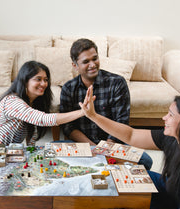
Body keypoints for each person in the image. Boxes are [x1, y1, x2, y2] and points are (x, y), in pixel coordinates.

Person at [80, 85, 180, 209]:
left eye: (171, 115)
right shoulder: (174, 138)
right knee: (134, 176)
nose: (164, 118)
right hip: (175, 192)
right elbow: (131, 135)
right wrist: (93, 116)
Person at [60, 38, 152, 170]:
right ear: (75, 65)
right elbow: (68, 127)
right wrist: (92, 148)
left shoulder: (117, 83)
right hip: (84, 145)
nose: (92, 64)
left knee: (145, 161)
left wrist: (104, 150)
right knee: (52, 149)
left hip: (112, 144)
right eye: (86, 61)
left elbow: (122, 121)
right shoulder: (68, 88)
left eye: (95, 58)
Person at [0, 61, 87, 149]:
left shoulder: (33, 102)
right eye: (38, 79)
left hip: (3, 153)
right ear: (25, 81)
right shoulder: (12, 101)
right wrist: (82, 112)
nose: (43, 84)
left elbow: (32, 132)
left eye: (46, 80)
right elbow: (42, 119)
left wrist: (31, 152)